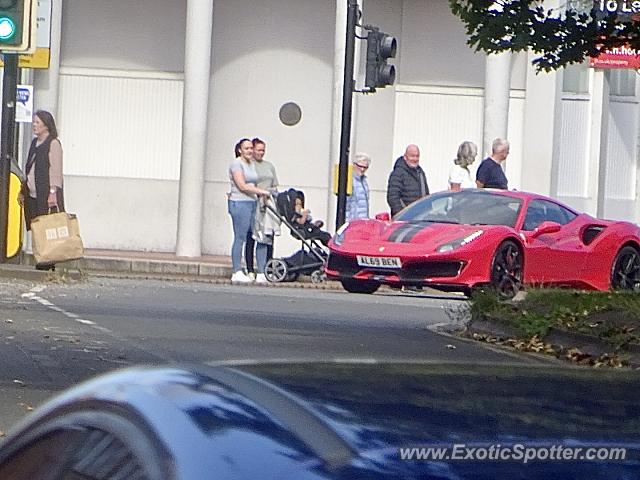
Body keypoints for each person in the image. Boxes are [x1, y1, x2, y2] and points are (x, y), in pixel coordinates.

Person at [18, 110, 65, 271]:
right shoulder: (34, 143)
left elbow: (56, 170)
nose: (34, 125)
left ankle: (48, 260)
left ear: (46, 125)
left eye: (37, 122)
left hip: (46, 193)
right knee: (36, 226)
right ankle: (41, 257)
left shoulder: (53, 143)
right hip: (32, 193)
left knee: (48, 226)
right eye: (34, 122)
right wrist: (23, 190)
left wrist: (53, 192)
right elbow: (29, 167)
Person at [228, 138, 269, 284]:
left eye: (251, 148)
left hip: (253, 203)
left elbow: (254, 182)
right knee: (240, 237)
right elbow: (242, 186)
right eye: (246, 148)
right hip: (240, 203)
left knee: (259, 236)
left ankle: (261, 272)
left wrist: (262, 195)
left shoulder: (251, 164)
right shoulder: (236, 164)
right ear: (240, 150)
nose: (250, 151)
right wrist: (261, 191)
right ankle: (237, 270)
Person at [245, 137, 280, 283]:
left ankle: (266, 266)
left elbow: (275, 185)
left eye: (263, 150)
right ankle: (250, 269)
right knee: (252, 235)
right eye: (259, 150)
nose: (261, 153)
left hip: (269, 201)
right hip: (255, 200)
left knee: (268, 236)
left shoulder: (269, 166)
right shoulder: (249, 166)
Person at [386, 144, 429, 216]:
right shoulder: (398, 173)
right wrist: (402, 214)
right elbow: (393, 197)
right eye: (412, 156)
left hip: (420, 217)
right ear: (405, 157)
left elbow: (426, 195)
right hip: (404, 218)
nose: (415, 159)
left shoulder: (420, 173)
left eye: (417, 156)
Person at [345, 152, 371, 221]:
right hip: (352, 222)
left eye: (365, 167)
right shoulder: (349, 180)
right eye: (360, 166)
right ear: (354, 164)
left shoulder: (363, 181)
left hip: (363, 221)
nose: (362, 169)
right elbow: (346, 205)